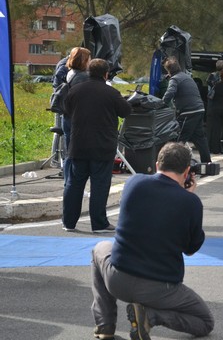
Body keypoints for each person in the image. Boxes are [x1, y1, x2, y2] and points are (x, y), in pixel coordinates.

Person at [90, 142, 214, 340]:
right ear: (187, 171)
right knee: (205, 322)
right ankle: (151, 316)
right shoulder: (190, 203)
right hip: (160, 288)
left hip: (119, 279)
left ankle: (105, 326)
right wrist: (188, 195)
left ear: (157, 164)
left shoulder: (133, 183)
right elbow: (190, 249)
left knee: (100, 248)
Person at [62, 58, 132, 233]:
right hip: (102, 146)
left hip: (78, 145)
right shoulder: (111, 93)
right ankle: (99, 223)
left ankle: (69, 222)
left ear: (88, 72)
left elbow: (67, 111)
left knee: (74, 184)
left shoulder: (75, 90)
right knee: (99, 185)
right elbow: (126, 111)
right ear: (106, 74)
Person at [162, 57, 212, 163]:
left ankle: (172, 163)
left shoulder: (174, 79)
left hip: (188, 112)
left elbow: (170, 92)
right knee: (200, 139)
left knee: (180, 137)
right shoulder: (187, 77)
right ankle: (207, 163)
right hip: (199, 109)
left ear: (169, 70)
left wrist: (161, 104)